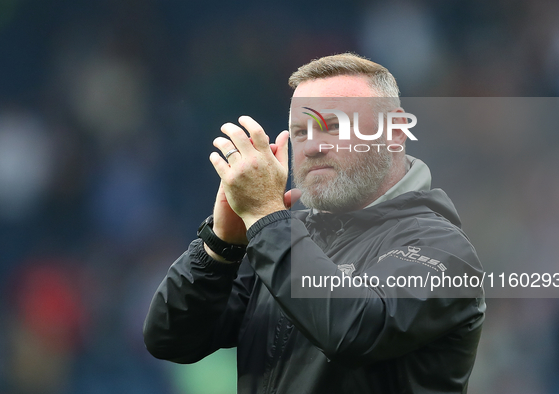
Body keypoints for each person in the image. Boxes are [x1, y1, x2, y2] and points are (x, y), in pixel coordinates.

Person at [143, 53, 485, 393]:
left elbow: (354, 331)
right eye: (300, 132)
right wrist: (221, 246)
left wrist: (265, 219)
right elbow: (170, 338)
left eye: (333, 126)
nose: (312, 147)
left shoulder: (442, 248)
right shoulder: (281, 239)